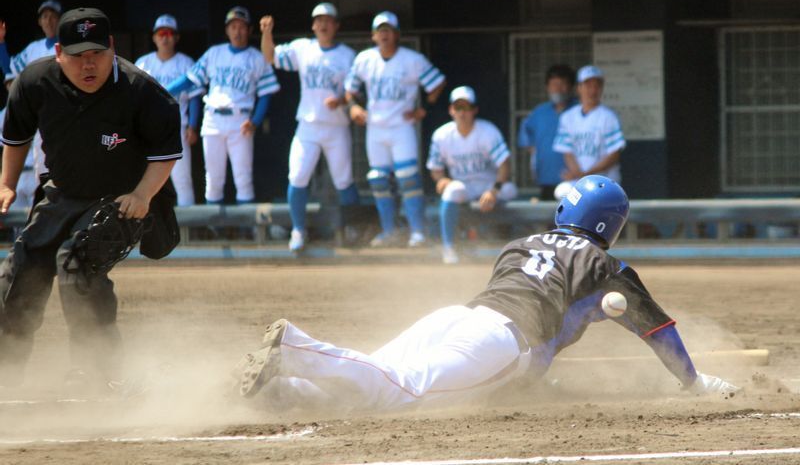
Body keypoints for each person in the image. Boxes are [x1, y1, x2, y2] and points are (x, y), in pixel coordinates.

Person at [231, 175, 738, 412]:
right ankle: (295, 347)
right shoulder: (605, 264)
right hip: (501, 342)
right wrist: (692, 382)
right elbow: (658, 330)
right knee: (396, 391)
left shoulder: (521, 242)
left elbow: (542, 304)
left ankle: (283, 392)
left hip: (456, 318)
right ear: (609, 225)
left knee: (375, 372)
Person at [0, 8, 182, 390]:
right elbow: (16, 138)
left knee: (76, 263)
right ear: (58, 51)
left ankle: (98, 369)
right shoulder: (35, 82)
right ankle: (7, 365)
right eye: (79, 55)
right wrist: (7, 184)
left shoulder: (141, 90)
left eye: (97, 54)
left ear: (112, 48)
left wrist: (143, 195)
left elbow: (163, 155)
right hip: (64, 190)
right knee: (22, 268)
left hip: (123, 196)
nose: (89, 65)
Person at [259, 3, 359, 252]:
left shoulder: (347, 55)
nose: (323, 24)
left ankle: (353, 228)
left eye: (328, 20)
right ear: (313, 25)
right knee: (298, 176)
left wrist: (342, 100)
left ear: (336, 26)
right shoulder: (303, 47)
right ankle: (298, 230)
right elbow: (269, 56)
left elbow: (353, 90)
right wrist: (266, 33)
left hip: (336, 126)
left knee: (344, 180)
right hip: (309, 125)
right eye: (319, 20)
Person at [344, 11, 446, 248]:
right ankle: (389, 231)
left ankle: (417, 232)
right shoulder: (364, 59)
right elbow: (350, 90)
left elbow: (437, 83)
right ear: (373, 35)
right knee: (378, 180)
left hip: (402, 127)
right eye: (380, 30)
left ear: (397, 34)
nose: (385, 35)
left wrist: (424, 109)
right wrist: (352, 108)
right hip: (376, 128)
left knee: (408, 179)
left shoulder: (412, 59)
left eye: (389, 30)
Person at [167, 6, 279, 204]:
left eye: (242, 27)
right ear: (227, 30)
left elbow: (266, 94)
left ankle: (247, 233)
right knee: (213, 180)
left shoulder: (258, 57)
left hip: (241, 120)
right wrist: (163, 90)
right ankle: (215, 232)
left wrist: (255, 121)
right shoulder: (214, 53)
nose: (237, 31)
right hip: (213, 120)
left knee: (243, 179)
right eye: (233, 26)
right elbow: (189, 79)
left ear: (249, 30)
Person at [427, 86, 517, 264]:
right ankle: (449, 248)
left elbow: (504, 165)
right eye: (458, 107)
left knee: (511, 190)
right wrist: (441, 179)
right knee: (451, 189)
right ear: (451, 110)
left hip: (489, 185)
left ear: (474, 110)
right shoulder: (442, 135)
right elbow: (435, 169)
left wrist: (494, 190)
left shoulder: (487, 131)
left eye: (466, 108)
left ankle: (511, 246)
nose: (462, 113)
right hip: (464, 187)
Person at [0, 0, 63, 210]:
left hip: (63, 115)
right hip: (40, 119)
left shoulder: (70, 46)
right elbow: (10, 68)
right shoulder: (33, 49)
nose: (49, 20)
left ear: (60, 19)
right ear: (40, 21)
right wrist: (1, 45)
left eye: (53, 16)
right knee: (42, 178)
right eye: (45, 16)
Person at [135, 14, 202, 207]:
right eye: (161, 33)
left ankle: (188, 231)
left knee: (182, 180)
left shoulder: (186, 62)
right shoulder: (143, 63)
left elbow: (194, 96)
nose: (165, 37)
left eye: (170, 33)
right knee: (147, 182)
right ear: (154, 37)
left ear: (176, 37)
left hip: (177, 128)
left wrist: (193, 125)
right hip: (148, 129)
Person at [553, 65, 626, 183]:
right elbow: (567, 152)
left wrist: (586, 174)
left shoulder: (608, 117)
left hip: (605, 182)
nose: (593, 90)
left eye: (597, 86)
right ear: (579, 88)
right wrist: (579, 175)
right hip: (579, 180)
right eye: (588, 85)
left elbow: (614, 155)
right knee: (562, 191)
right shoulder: (568, 117)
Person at [517, 64, 577, 200]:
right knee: (549, 219)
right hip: (547, 179)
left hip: (575, 180)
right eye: (554, 84)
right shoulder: (539, 112)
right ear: (547, 87)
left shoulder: (579, 110)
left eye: (563, 84)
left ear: (572, 87)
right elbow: (526, 139)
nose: (558, 89)